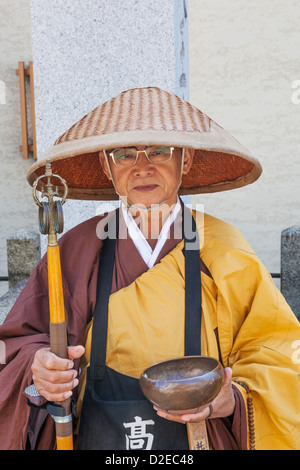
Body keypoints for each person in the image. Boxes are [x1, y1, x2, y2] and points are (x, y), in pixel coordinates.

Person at [0, 86, 299, 450]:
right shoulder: (76, 250)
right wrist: (40, 366)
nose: (142, 167)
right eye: (124, 155)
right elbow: (20, 341)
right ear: (106, 168)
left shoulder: (225, 250)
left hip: (202, 437)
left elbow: (277, 352)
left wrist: (233, 399)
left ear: (185, 161)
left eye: (160, 151)